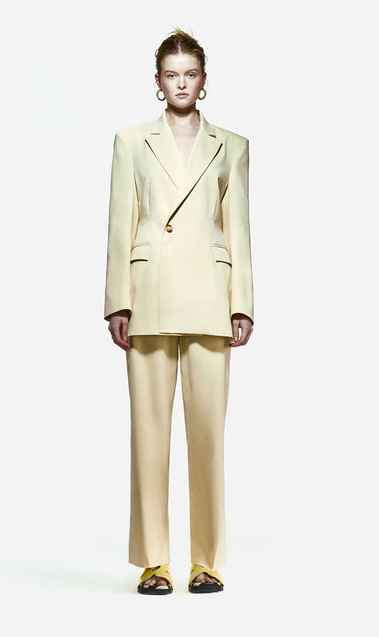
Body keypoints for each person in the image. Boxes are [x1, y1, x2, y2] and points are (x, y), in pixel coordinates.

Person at [103, 29, 254, 594]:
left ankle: (206, 561)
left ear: (204, 81)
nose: (182, 83)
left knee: (208, 436)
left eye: (190, 74)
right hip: (149, 294)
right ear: (158, 82)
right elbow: (120, 222)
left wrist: (243, 303)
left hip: (211, 297)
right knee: (149, 436)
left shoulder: (231, 146)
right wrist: (118, 301)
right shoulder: (130, 142)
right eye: (172, 75)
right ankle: (154, 561)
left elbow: (238, 228)